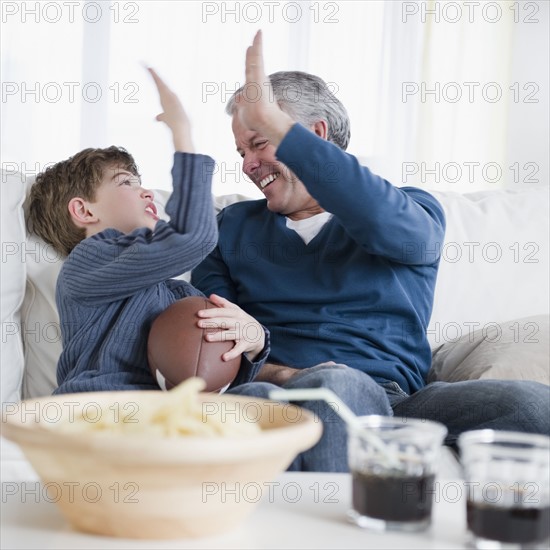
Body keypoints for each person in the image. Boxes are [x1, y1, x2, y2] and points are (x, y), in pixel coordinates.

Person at [192, 31, 550, 471]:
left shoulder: (410, 208)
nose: (247, 164)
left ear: (315, 136)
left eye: (259, 143)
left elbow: (393, 228)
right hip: (278, 387)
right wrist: (280, 372)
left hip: (396, 404)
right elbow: (210, 340)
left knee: (535, 405)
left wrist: (288, 138)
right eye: (241, 151)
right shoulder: (230, 226)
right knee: (330, 387)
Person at [27, 68, 269, 395]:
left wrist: (254, 342)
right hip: (97, 411)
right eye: (126, 182)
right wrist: (183, 135)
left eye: (141, 184)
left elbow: (212, 370)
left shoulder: (176, 292)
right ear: (84, 210)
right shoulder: (86, 263)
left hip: (162, 420)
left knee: (257, 402)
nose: (147, 193)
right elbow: (193, 238)